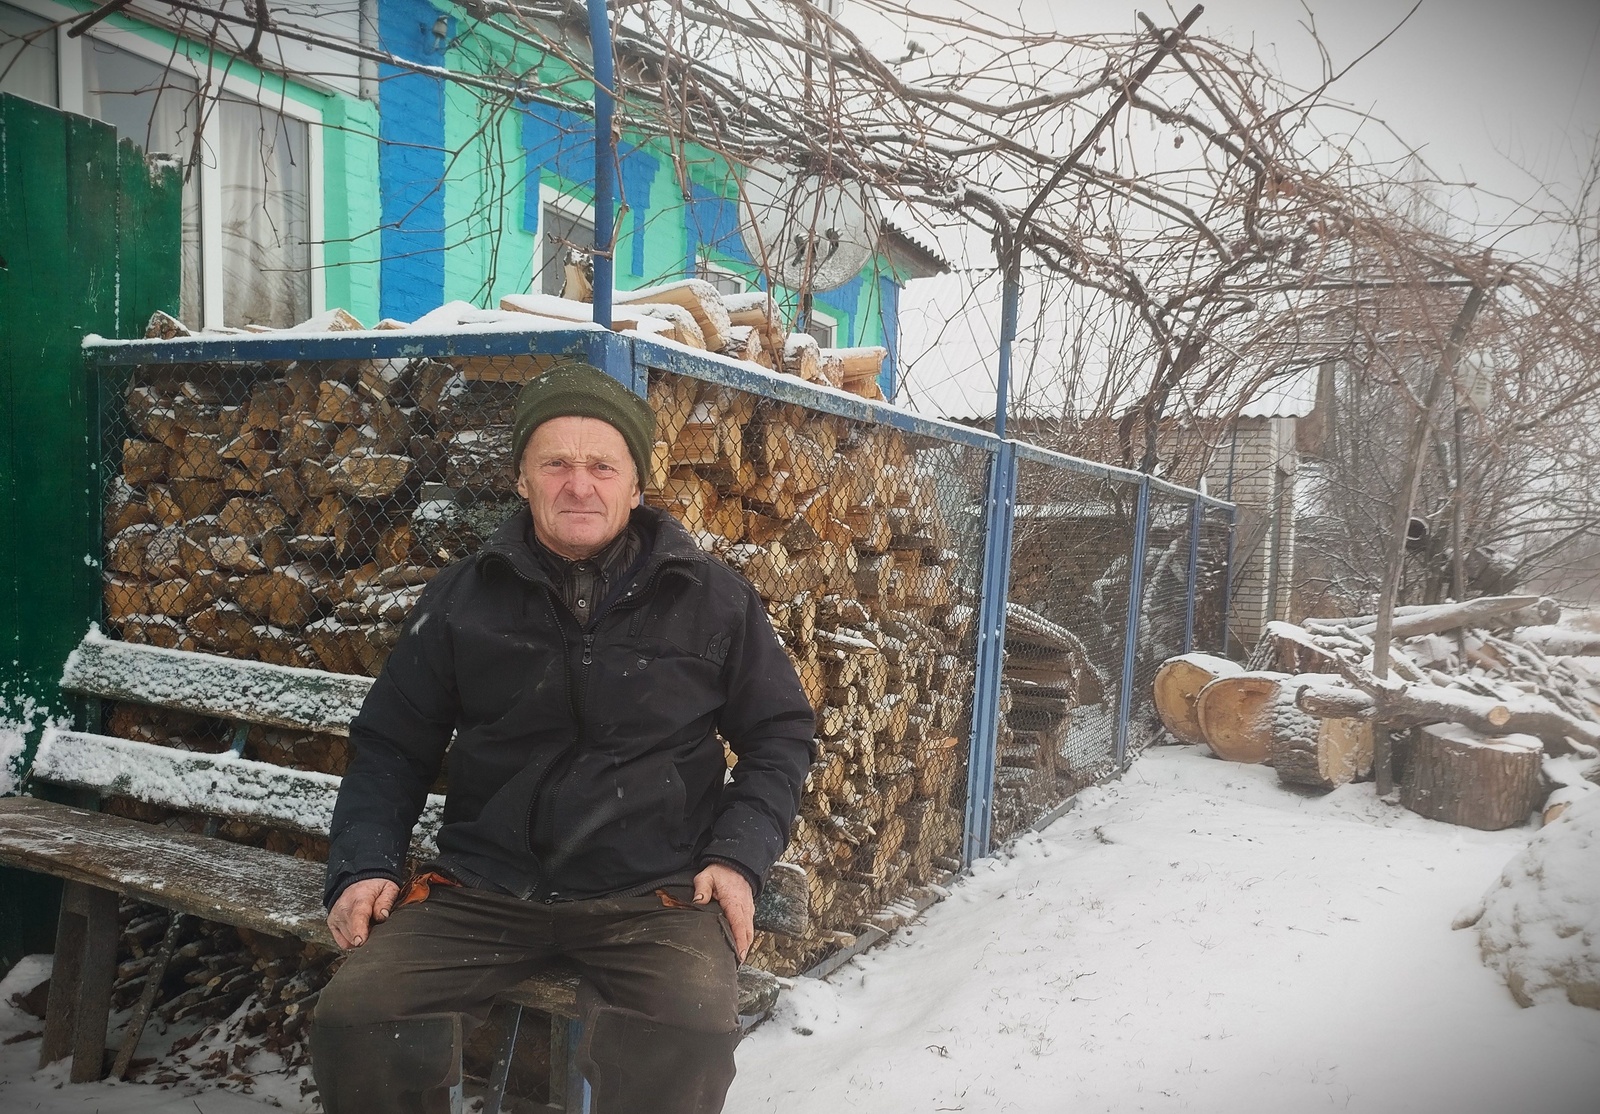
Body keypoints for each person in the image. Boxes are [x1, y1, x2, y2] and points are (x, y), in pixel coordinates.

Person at [309, 360, 816, 1114]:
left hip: (651, 895)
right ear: (522, 479)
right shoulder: (462, 598)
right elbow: (391, 743)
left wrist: (738, 858)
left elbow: (780, 736)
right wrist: (364, 862)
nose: (580, 485)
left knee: (688, 1032)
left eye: (602, 466)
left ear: (636, 486)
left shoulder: (711, 600)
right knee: (358, 1018)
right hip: (485, 888)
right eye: (557, 464)